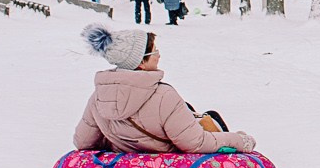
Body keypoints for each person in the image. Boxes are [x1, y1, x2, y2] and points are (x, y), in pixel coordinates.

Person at [74, 26, 257, 154]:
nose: (158, 55)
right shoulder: (164, 97)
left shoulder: (99, 98)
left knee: (188, 108)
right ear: (140, 62)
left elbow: (82, 142)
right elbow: (195, 143)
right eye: (154, 51)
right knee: (211, 116)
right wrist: (238, 140)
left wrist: (122, 140)